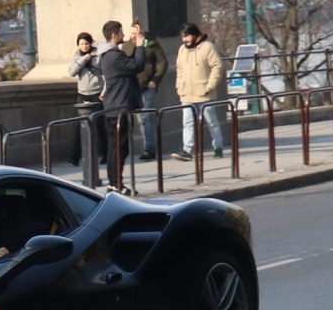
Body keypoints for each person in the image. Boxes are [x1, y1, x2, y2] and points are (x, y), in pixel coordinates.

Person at [89, 19, 143, 190]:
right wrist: (140, 47)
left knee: (116, 147)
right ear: (114, 35)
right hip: (119, 106)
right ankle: (116, 183)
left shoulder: (108, 54)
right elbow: (137, 65)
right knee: (119, 148)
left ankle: (115, 182)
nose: (124, 35)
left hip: (114, 105)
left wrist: (135, 46)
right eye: (121, 32)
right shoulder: (113, 56)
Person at [177, 22, 229, 157]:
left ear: (194, 35)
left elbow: (218, 66)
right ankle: (187, 150)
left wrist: (209, 86)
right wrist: (179, 85)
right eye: (182, 37)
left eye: (186, 36)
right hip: (186, 93)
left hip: (204, 94)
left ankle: (218, 147)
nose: (184, 40)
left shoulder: (207, 47)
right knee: (187, 122)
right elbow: (179, 69)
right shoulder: (182, 49)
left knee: (212, 122)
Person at [129, 20, 172, 159]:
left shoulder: (152, 44)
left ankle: (149, 148)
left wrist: (155, 80)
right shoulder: (126, 46)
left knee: (148, 117)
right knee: (140, 119)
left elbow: (162, 62)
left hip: (148, 85)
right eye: (132, 33)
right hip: (134, 86)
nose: (134, 36)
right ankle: (146, 146)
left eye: (137, 33)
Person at [68, 31, 103, 184]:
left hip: (97, 93)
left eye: (86, 44)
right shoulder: (77, 57)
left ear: (91, 43)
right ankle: (75, 156)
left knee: (101, 125)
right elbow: (72, 72)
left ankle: (104, 154)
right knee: (80, 126)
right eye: (81, 44)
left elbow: (102, 70)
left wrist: (91, 58)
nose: (84, 46)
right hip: (83, 94)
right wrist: (83, 59)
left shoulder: (97, 55)